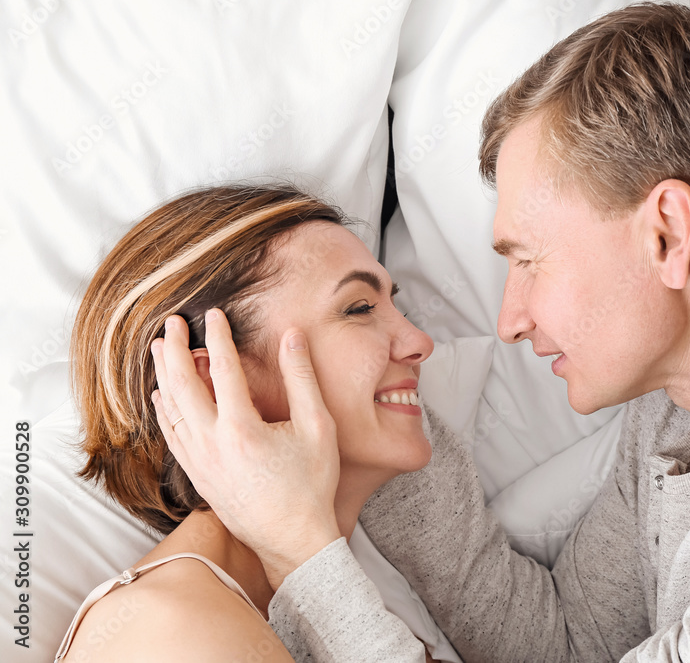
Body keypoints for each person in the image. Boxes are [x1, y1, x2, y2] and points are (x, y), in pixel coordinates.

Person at [156, 3, 690, 663]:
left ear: (667, 232)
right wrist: (361, 420)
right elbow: (566, 648)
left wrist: (305, 550)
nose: (510, 319)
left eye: (530, 260)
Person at [57, 185, 438, 662]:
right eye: (359, 308)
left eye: (394, 306)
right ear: (214, 382)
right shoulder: (172, 636)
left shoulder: (323, 596)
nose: (420, 340)